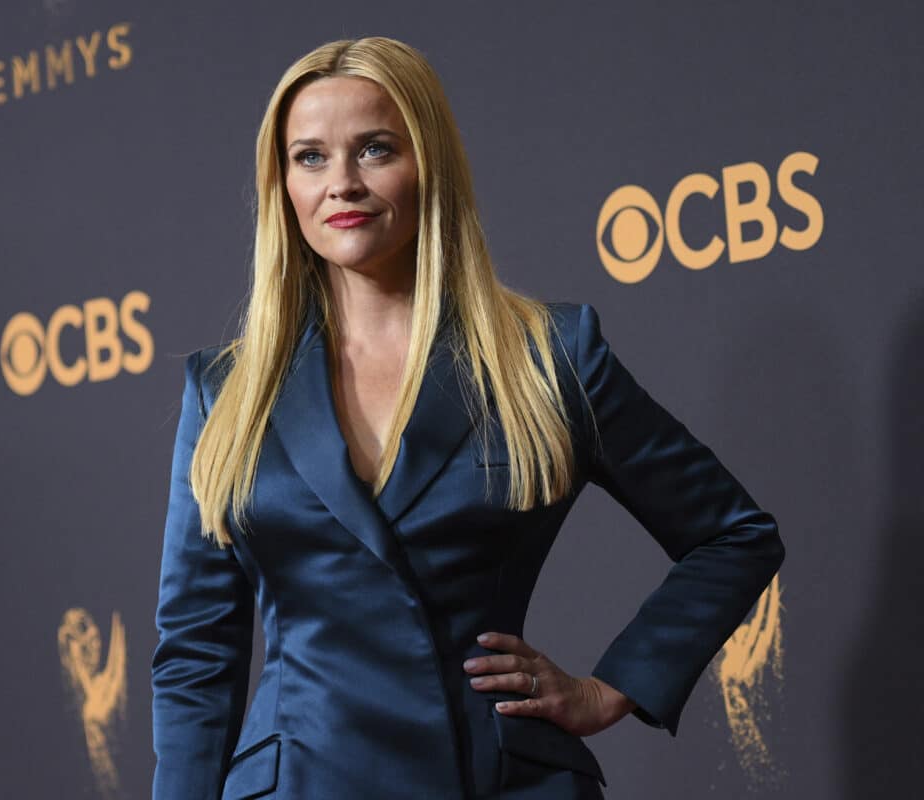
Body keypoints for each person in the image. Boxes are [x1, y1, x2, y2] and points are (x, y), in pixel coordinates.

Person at [150, 36, 784, 800]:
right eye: (310, 157)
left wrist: (612, 687)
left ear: (430, 164)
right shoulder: (227, 391)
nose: (341, 184)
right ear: (281, 184)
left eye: (374, 149)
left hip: (498, 780)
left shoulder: (547, 357)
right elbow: (196, 655)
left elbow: (732, 534)